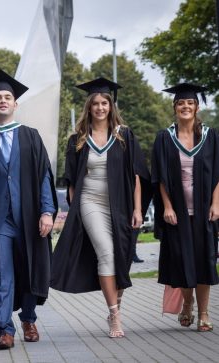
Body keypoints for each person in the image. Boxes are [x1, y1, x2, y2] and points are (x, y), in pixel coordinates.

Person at [51, 78, 151, 338]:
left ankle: (115, 304)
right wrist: (76, 209)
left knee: (121, 258)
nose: (100, 107)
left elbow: (137, 176)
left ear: (111, 105)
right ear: (89, 107)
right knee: (106, 253)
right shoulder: (78, 139)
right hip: (90, 203)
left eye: (104, 102)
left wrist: (138, 209)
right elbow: (72, 180)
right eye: (95, 103)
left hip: (121, 205)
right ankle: (115, 316)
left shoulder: (124, 135)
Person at [0, 70, 57, 350]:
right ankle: (5, 329)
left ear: (16, 104)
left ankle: (28, 318)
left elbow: (44, 175)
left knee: (29, 269)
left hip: (29, 216)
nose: (3, 101)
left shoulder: (30, 137)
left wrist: (47, 211)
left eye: (8, 97)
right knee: (0, 273)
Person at [152, 83, 219, 332]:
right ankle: (187, 303)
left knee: (204, 261)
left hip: (204, 211)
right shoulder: (164, 138)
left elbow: (218, 173)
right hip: (177, 213)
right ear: (174, 107)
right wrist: (167, 206)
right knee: (182, 262)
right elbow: (158, 176)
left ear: (197, 107)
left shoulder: (211, 136)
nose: (185, 107)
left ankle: (203, 313)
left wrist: (216, 203)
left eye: (189, 103)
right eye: (181, 103)